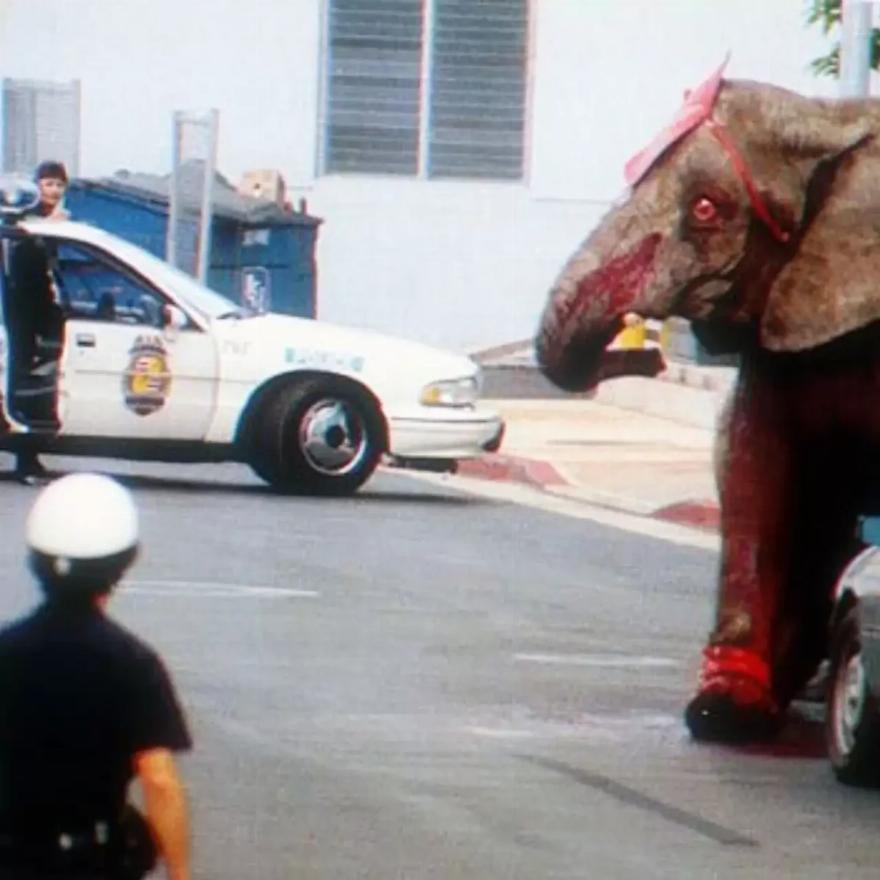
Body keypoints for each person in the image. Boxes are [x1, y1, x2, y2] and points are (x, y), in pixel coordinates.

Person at [0, 473, 193, 879]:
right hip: (91, 858)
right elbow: (159, 779)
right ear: (122, 564)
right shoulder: (132, 662)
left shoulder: (7, 650)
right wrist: (180, 874)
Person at [6, 160, 70, 483]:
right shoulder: (27, 223)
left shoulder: (61, 222)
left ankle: (28, 456)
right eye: (48, 184)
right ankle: (25, 459)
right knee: (24, 383)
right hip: (21, 315)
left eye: (59, 185)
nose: (53, 191)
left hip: (41, 313)